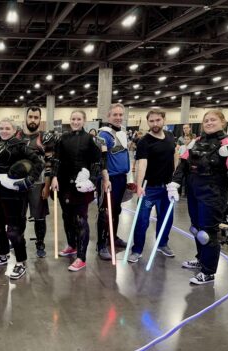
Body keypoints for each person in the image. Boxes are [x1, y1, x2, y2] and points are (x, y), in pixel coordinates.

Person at [170, 110, 228, 284]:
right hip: (194, 192)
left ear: (223, 122)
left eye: (213, 120)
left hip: (213, 194)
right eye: (206, 120)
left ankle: (209, 271)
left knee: (208, 232)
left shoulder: (227, 145)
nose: (209, 123)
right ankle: (201, 258)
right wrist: (175, 182)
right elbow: (183, 165)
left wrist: (223, 183)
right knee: (196, 228)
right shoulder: (195, 142)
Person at [0, 118, 44, 279]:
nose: (4, 131)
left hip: (14, 194)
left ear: (13, 130)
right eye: (2, 128)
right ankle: (2, 254)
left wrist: (28, 181)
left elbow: (38, 163)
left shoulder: (19, 145)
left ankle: (20, 262)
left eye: (7, 128)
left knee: (14, 231)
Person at [51, 111, 102, 271]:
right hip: (64, 184)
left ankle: (81, 257)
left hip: (82, 184)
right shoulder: (62, 138)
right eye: (73, 119)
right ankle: (71, 246)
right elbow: (56, 159)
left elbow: (96, 162)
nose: (75, 121)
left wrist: (92, 181)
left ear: (84, 120)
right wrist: (54, 177)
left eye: (79, 119)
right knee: (67, 217)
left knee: (80, 220)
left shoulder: (90, 139)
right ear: (70, 120)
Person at [128, 110, 176, 263]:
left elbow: (174, 155)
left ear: (164, 120)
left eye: (158, 120)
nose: (155, 124)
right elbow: (142, 164)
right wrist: (139, 185)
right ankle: (137, 250)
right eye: (151, 121)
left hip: (167, 188)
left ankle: (162, 244)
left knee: (166, 219)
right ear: (147, 122)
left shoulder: (170, 137)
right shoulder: (144, 141)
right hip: (149, 188)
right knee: (142, 220)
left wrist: (175, 179)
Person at [16, 107, 57, 257]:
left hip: (38, 184)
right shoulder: (17, 136)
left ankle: (40, 243)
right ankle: (18, 241)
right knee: (18, 215)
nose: (33, 120)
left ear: (40, 119)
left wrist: (47, 186)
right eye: (31, 117)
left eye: (36, 117)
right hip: (19, 183)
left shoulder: (45, 137)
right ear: (26, 117)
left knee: (40, 216)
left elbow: (49, 164)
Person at [96, 103, 130, 260]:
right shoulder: (104, 135)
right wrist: (105, 179)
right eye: (115, 115)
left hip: (121, 178)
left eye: (120, 114)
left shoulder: (121, 133)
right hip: (108, 179)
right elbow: (100, 159)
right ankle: (101, 245)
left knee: (116, 210)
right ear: (108, 116)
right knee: (105, 212)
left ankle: (112, 237)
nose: (118, 117)